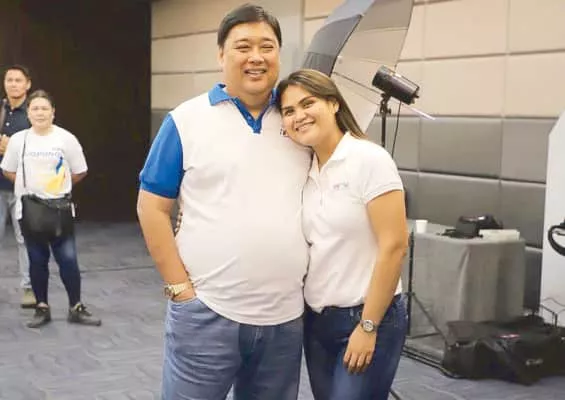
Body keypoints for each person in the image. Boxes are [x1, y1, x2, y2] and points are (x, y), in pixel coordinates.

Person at [137, 4, 310, 400]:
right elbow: (152, 207)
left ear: (279, 54)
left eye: (267, 46)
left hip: (284, 320)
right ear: (221, 54)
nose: (256, 57)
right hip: (207, 314)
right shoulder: (185, 120)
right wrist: (179, 289)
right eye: (243, 47)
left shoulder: (298, 121)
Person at [276, 69, 409, 400]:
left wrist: (368, 326)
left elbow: (394, 246)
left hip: (365, 316)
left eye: (308, 103)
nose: (298, 116)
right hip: (317, 321)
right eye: (289, 111)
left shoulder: (369, 159)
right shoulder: (305, 170)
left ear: (333, 103)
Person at [0, 89, 101, 329]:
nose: (40, 113)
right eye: (35, 108)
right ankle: (42, 307)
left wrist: (57, 187)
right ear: (28, 113)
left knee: (68, 260)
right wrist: (29, 187)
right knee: (37, 260)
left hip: (60, 209)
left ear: (53, 112)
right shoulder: (19, 140)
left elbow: (80, 171)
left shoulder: (66, 139)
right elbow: (8, 170)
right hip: (30, 211)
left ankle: (76, 306)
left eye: (44, 108)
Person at [0, 64, 35, 308]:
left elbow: (43, 145)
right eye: (9, 80)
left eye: (18, 80)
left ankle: (29, 288)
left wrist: (12, 147)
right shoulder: (1, 110)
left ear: (27, 84)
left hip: (23, 187)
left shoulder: (34, 112)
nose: (13, 84)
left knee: (25, 239)